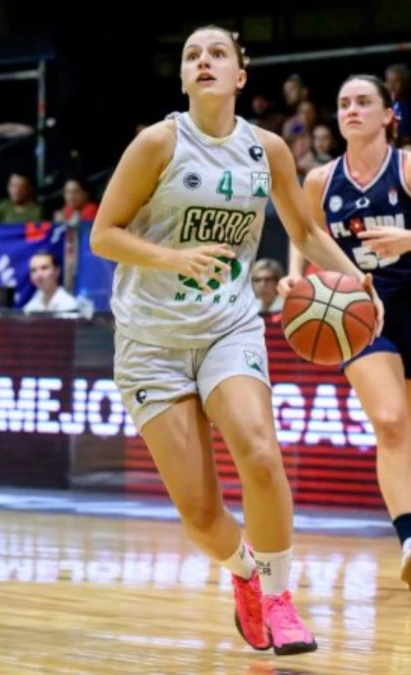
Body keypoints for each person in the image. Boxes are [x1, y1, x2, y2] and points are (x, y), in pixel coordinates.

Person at [90, 26, 376, 656]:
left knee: (261, 452)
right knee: (199, 514)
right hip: (151, 340)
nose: (205, 62)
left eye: (218, 53)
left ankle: (278, 596)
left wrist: (357, 280)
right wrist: (173, 258)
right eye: (193, 55)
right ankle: (245, 573)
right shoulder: (157, 143)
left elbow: (304, 231)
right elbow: (103, 236)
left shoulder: (267, 149)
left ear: (240, 76)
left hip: (228, 324)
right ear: (185, 78)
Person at [285, 75, 411, 591]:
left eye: (363, 102)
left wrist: (410, 237)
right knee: (390, 424)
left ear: (388, 113)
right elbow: (304, 235)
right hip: (358, 310)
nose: (351, 110)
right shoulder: (320, 180)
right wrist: (296, 275)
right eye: (344, 102)